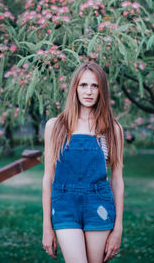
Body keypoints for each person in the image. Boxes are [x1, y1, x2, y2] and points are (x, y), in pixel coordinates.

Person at [42, 62, 124, 263]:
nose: (89, 91)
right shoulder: (55, 126)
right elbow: (48, 178)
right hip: (64, 204)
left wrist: (118, 229)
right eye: (83, 85)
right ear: (75, 88)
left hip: (99, 204)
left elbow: (117, 180)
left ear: (101, 90)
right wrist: (46, 226)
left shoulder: (112, 129)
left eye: (94, 86)